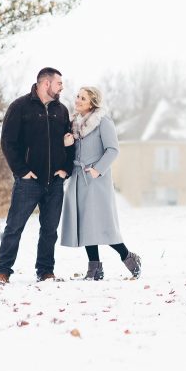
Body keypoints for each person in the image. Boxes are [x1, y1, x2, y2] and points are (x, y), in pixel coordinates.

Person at [0, 67, 74, 283]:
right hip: (29, 181)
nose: (61, 88)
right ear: (45, 83)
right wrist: (22, 171)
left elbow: (70, 141)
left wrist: (66, 169)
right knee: (14, 227)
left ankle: (45, 271)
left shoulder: (61, 111)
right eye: (59, 83)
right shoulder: (20, 107)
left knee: (50, 230)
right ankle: (3, 271)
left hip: (54, 182)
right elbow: (8, 143)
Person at [60, 86, 141, 280]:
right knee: (86, 224)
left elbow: (113, 149)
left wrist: (97, 170)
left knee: (102, 225)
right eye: (78, 96)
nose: (78, 100)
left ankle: (128, 257)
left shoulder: (103, 122)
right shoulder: (73, 123)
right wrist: (66, 144)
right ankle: (95, 269)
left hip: (96, 180)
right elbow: (71, 151)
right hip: (78, 179)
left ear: (92, 103)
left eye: (83, 98)